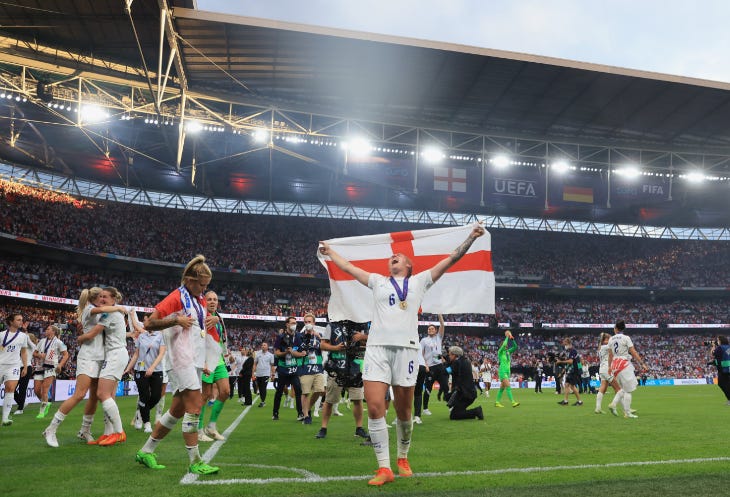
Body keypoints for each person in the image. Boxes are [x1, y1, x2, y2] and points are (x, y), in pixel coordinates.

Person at [319, 222, 485, 486]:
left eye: (397, 258)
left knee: (404, 410)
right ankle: (384, 468)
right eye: (390, 258)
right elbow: (349, 268)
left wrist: (471, 238)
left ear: (408, 265)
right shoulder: (378, 282)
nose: (392, 258)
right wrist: (330, 252)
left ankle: (403, 457)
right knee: (375, 407)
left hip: (407, 351)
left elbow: (451, 259)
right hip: (376, 349)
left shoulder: (420, 281)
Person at [135, 255, 220, 475]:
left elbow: (198, 330)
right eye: (201, 285)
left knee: (176, 411)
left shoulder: (198, 298)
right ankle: (195, 461)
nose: (204, 290)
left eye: (206, 286)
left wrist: (213, 319)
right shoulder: (176, 297)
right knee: (194, 407)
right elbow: (149, 322)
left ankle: (146, 451)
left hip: (194, 359)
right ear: (190, 280)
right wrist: (176, 320)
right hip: (180, 359)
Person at [43, 287, 127, 446]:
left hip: (101, 358)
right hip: (88, 357)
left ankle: (85, 430)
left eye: (104, 297)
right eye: (100, 296)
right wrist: (118, 307)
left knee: (95, 397)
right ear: (95, 298)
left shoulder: (102, 312)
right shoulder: (90, 309)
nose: (102, 299)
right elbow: (99, 319)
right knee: (79, 394)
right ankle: (51, 429)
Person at [315, 320, 370, 440]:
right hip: (336, 366)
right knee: (329, 400)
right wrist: (335, 347)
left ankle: (359, 428)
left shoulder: (360, 324)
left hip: (354, 367)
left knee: (358, 399)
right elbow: (323, 345)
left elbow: (373, 341)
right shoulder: (332, 325)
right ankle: (323, 428)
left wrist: (362, 337)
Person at [198, 290, 230, 442]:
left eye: (215, 299)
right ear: (204, 301)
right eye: (209, 299)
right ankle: (198, 430)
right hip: (206, 361)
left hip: (219, 360)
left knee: (225, 391)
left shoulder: (218, 317)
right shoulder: (201, 317)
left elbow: (221, 340)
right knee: (205, 395)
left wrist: (225, 354)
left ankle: (211, 426)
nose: (212, 301)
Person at [125, 316, 167, 433]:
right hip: (141, 370)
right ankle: (147, 424)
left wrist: (152, 367)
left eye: (146, 321)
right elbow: (136, 354)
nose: (144, 323)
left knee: (156, 396)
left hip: (156, 371)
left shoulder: (160, 336)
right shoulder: (141, 336)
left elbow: (161, 354)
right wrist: (129, 368)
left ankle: (140, 413)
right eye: (144, 321)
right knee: (144, 396)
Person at [607, 320, 648, 418]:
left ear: (616, 328)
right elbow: (633, 352)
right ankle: (627, 413)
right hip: (623, 363)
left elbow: (610, 355)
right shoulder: (626, 338)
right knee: (628, 390)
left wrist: (609, 367)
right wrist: (642, 364)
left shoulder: (611, 339)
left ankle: (613, 404)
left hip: (615, 365)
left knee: (623, 389)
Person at [271, 317, 305, 421]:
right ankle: (275, 413)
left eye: (295, 323)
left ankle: (300, 413)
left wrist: (294, 353)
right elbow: (276, 353)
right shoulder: (280, 337)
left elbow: (302, 353)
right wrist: (286, 352)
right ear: (287, 324)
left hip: (294, 369)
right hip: (283, 369)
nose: (294, 324)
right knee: (279, 391)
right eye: (292, 323)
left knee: (298, 390)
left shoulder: (299, 336)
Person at [1, 313, 31, 426]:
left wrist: (25, 366)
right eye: (18, 320)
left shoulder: (23, 336)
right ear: (11, 322)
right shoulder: (1, 335)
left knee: (10, 389)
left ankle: (5, 418)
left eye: (21, 320)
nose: (21, 322)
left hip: (14, 366)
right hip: (0, 364)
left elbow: (23, 352)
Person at [33, 324, 69, 419]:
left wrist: (60, 365)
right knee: (36, 390)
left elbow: (66, 355)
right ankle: (46, 403)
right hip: (40, 367)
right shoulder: (42, 341)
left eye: (48, 329)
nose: (46, 330)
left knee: (45, 390)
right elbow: (34, 353)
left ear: (53, 331)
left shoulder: (58, 342)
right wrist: (40, 356)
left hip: (51, 367)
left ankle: (41, 411)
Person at [298, 313, 325, 425]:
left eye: (310, 322)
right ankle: (306, 416)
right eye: (306, 322)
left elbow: (323, 349)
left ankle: (307, 408)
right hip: (305, 367)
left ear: (314, 323)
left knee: (320, 390)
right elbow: (296, 351)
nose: (308, 324)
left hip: (318, 367)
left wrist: (319, 337)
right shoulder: (299, 336)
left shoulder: (320, 335)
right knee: (305, 392)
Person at [444, 346, 484, 420]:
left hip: (465, 395)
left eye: (450, 355)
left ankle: (476, 411)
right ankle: (472, 413)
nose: (449, 356)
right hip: (468, 393)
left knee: (454, 415)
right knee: (455, 410)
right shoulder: (466, 361)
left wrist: (444, 363)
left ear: (455, 355)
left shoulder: (457, 362)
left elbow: (446, 371)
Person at [420, 314, 448, 416]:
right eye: (429, 329)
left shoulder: (439, 338)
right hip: (430, 367)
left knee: (445, 386)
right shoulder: (423, 340)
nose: (430, 330)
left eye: (432, 329)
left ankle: (450, 406)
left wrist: (439, 314)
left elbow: (442, 324)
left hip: (439, 366)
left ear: (435, 330)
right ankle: (425, 409)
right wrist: (425, 365)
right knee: (428, 388)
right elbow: (421, 354)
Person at [595, 332, 621, 414]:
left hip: (601, 369)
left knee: (603, 388)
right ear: (605, 340)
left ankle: (598, 408)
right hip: (607, 368)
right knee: (618, 389)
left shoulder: (600, 348)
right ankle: (619, 406)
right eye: (609, 338)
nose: (610, 340)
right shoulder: (607, 346)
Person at [13, 331, 37, 415]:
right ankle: (22, 403)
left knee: (22, 388)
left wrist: (25, 335)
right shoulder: (22, 346)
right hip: (17, 368)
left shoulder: (32, 346)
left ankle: (20, 409)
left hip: (26, 368)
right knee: (11, 388)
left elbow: (30, 343)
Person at [495, 330, 520, 408]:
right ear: (502, 346)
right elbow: (505, 343)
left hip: (508, 372)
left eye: (506, 346)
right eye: (504, 345)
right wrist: (507, 336)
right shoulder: (500, 352)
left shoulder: (508, 352)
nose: (506, 346)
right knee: (508, 386)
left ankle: (497, 402)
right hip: (502, 371)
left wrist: (512, 339)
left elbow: (516, 347)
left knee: (502, 388)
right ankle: (513, 402)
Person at [556, 338, 583, 407]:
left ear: (569, 343)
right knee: (566, 385)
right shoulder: (568, 351)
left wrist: (560, 362)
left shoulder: (573, 351)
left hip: (575, 370)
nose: (564, 345)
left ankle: (579, 401)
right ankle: (565, 401)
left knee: (572, 386)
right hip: (571, 370)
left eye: (565, 344)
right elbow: (569, 363)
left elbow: (570, 361)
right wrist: (564, 370)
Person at [253, 342, 275, 407]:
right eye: (262, 345)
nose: (263, 346)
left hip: (266, 374)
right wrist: (253, 373)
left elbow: (272, 365)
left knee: (263, 387)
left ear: (267, 347)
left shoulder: (271, 355)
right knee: (259, 387)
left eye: (264, 345)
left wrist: (273, 374)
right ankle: (262, 400)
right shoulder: (257, 354)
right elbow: (255, 364)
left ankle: (262, 401)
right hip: (258, 373)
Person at [711, 336, 730, 404]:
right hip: (728, 367)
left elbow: (713, 353)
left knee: (721, 384)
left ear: (721, 341)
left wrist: (713, 346)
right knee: (727, 383)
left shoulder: (720, 347)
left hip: (722, 368)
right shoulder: (728, 347)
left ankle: (729, 399)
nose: (717, 341)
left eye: (718, 340)